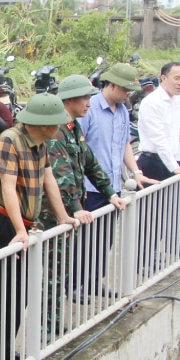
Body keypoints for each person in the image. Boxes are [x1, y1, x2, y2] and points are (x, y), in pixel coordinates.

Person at [0, 93, 72, 360]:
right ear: (43, 124)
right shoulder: (11, 140)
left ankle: (4, 349)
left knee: (19, 291)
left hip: (25, 226)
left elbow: (48, 179)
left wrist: (63, 215)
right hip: (1, 222)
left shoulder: (41, 144)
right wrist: (19, 229)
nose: (60, 126)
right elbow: (8, 186)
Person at [42, 76, 126, 318]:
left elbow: (90, 162)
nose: (89, 103)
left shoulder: (73, 127)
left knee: (62, 272)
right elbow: (62, 175)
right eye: (84, 98)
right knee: (53, 276)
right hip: (54, 214)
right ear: (68, 100)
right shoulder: (57, 131)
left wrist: (110, 192)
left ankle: (54, 324)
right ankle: (49, 327)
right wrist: (75, 208)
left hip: (69, 211)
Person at [79, 63, 156, 291]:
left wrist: (136, 172)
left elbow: (125, 145)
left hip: (113, 187)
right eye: (125, 90)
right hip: (90, 188)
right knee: (86, 239)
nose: (127, 95)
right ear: (111, 85)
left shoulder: (122, 111)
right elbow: (77, 147)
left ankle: (94, 281)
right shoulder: (89, 109)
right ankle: (77, 283)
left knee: (105, 238)